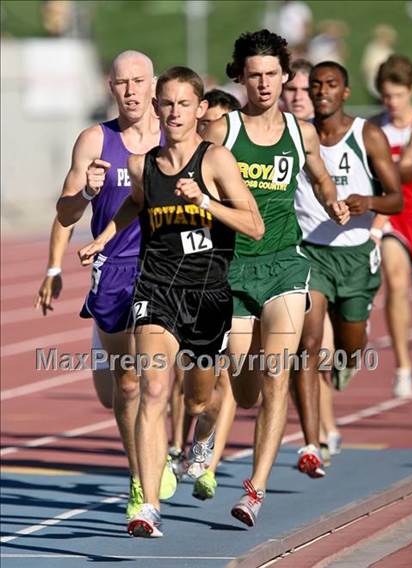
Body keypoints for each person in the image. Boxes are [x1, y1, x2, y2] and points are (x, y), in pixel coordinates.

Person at [78, 65, 264, 537]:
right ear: (157, 108)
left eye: (185, 104)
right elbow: (135, 205)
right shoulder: (144, 164)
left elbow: (253, 224)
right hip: (156, 285)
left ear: (200, 110)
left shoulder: (216, 160)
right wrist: (103, 238)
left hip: (206, 291)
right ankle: (146, 503)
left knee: (197, 398)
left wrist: (205, 202)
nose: (175, 112)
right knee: (153, 390)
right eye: (168, 103)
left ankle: (203, 436)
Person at [203, 29, 349, 527]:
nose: (264, 84)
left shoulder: (298, 131)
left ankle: (254, 490)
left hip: (285, 262)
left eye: (272, 74)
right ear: (240, 77)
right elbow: (186, 174)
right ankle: (218, 427)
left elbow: (318, 173)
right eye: (254, 75)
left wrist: (332, 201)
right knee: (244, 389)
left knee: (276, 373)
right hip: (234, 265)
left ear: (286, 77)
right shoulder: (223, 131)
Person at [55, 50, 177, 524]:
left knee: (163, 380)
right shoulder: (93, 140)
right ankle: (139, 471)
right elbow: (64, 215)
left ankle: (165, 455)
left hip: (169, 269)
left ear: (154, 85)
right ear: (111, 87)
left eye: (138, 80)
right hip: (115, 272)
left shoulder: (176, 137)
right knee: (126, 386)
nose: (130, 90)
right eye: (121, 82)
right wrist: (85, 192)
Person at [293, 61, 402, 475]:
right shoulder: (298, 135)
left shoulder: (366, 135)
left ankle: (351, 351)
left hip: (355, 257)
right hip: (309, 253)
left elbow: (396, 198)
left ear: (344, 91)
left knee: (349, 347)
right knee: (308, 343)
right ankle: (310, 442)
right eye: (316, 85)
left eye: (331, 85)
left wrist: (367, 202)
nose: (322, 92)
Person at [169, 88, 241, 483]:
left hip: (225, 281)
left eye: (219, 123)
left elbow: (254, 224)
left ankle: (202, 448)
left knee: (212, 387)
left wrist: (207, 204)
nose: (211, 130)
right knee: (158, 374)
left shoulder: (228, 163)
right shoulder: (171, 157)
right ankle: (173, 451)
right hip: (170, 282)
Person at [281, 59, 341, 465]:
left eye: (305, 91)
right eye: (293, 91)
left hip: (340, 250)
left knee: (339, 351)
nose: (300, 97)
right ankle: (316, 435)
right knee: (307, 346)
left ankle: (324, 425)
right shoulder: (270, 134)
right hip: (296, 252)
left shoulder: (328, 136)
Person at [371, 55, 412, 398]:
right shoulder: (374, 128)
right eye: (387, 95)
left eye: (398, 95)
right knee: (396, 281)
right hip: (394, 218)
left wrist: (384, 170)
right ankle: (403, 367)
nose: (392, 102)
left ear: (411, 92)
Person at [34, 217, 114, 409]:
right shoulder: (93, 184)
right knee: (109, 396)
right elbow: (67, 214)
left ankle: (183, 438)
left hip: (153, 276)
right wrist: (53, 270)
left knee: (150, 386)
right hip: (109, 281)